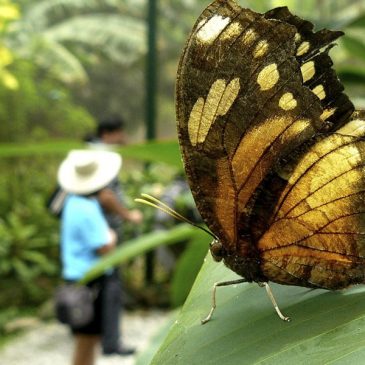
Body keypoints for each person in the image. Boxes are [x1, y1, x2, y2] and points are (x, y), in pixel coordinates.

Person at [58, 149, 122, 365]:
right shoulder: (87, 208)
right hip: (89, 280)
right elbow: (103, 247)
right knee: (86, 339)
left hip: (76, 277)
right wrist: (112, 236)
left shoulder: (72, 201)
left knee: (89, 338)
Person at [88, 117, 143, 356]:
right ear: (108, 134)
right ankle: (111, 342)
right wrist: (128, 215)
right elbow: (106, 195)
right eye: (120, 133)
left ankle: (88, 333)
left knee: (93, 282)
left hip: (88, 229)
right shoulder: (103, 156)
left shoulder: (86, 152)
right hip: (106, 231)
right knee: (111, 285)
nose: (124, 138)